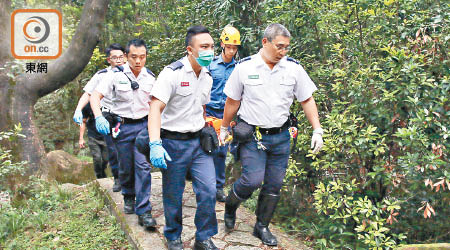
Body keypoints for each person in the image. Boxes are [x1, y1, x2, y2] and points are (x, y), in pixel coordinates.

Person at [219, 23, 324, 246]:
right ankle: (230, 205)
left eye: (286, 48)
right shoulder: (245, 68)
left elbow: (307, 99)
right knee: (252, 179)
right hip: (253, 136)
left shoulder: (293, 68)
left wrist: (317, 129)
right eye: (279, 46)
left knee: (274, 184)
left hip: (281, 136)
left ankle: (261, 226)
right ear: (265, 42)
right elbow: (232, 101)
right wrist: (224, 127)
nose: (283, 52)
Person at [148, 25, 219, 250]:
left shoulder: (207, 75)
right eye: (204, 47)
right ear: (190, 49)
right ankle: (173, 236)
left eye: (212, 46)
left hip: (199, 143)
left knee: (209, 190)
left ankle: (203, 237)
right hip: (173, 142)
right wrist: (155, 143)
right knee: (173, 194)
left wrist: (210, 127)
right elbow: (154, 109)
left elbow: (201, 107)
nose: (210, 50)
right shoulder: (172, 73)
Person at [90, 39, 157, 229]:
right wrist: (98, 116)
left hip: (144, 126)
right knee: (126, 166)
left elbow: (158, 104)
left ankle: (144, 210)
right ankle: (128, 195)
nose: (138, 61)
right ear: (126, 57)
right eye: (134, 57)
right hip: (123, 127)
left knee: (143, 166)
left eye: (142, 57)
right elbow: (95, 96)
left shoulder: (151, 78)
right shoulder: (114, 76)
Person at [73, 43, 125, 192]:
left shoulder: (133, 73)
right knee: (113, 150)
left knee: (130, 149)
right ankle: (117, 179)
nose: (119, 60)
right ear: (109, 59)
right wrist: (78, 109)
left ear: (126, 57)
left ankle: (131, 178)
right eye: (115, 57)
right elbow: (88, 93)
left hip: (128, 117)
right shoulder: (102, 75)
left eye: (121, 57)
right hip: (108, 116)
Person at [206, 26, 241, 202]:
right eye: (229, 47)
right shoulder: (211, 65)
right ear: (222, 45)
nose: (232, 51)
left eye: (235, 48)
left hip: (226, 116)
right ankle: (204, 185)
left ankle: (218, 188)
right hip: (209, 113)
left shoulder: (239, 68)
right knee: (205, 150)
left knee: (221, 152)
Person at [79, 102, 108, 179]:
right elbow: (83, 121)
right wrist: (81, 138)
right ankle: (99, 176)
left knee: (106, 159)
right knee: (97, 158)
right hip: (93, 136)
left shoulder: (109, 103)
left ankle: (102, 172)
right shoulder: (88, 105)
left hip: (106, 137)